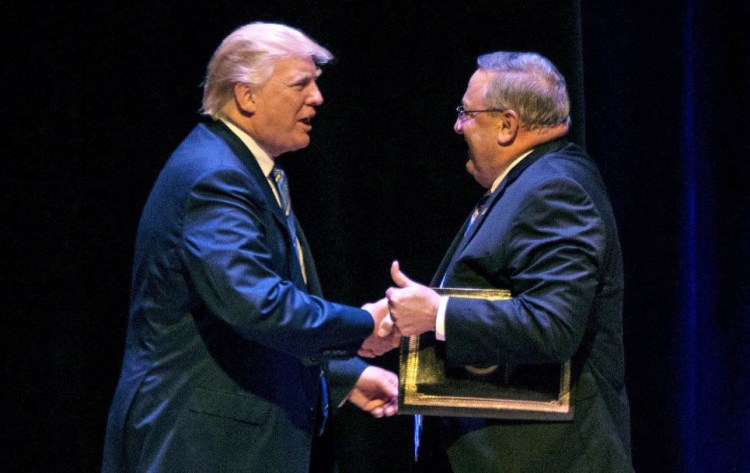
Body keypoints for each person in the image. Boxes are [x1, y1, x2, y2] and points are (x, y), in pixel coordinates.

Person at [102, 22, 399, 473]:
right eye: (301, 84)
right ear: (246, 96)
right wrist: (363, 325)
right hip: (198, 446)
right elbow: (257, 307)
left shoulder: (247, 169)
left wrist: (342, 376)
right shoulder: (215, 177)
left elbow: (236, 332)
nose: (317, 98)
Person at [385, 51, 634, 472]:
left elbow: (552, 326)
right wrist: (407, 319)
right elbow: (489, 296)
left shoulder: (555, 188)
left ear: (507, 125)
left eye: (466, 113)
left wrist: (436, 314)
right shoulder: (529, 180)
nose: (457, 125)